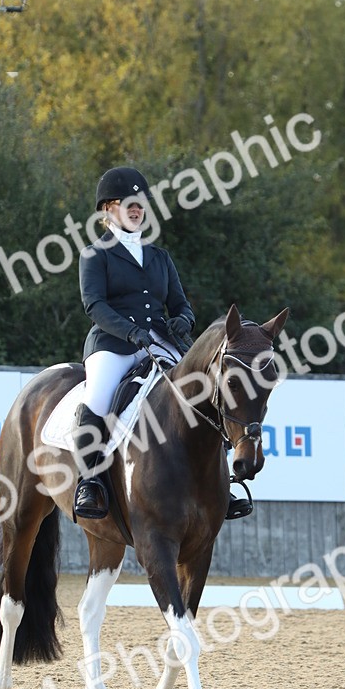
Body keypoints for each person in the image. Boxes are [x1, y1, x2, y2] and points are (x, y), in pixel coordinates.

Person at [72, 165, 248, 523]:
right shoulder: (95, 254)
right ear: (108, 209)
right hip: (112, 344)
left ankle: (219, 483)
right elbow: (95, 306)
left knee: (205, 390)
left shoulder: (159, 257)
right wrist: (130, 332)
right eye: (127, 203)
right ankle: (88, 481)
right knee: (99, 396)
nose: (136, 209)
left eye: (140, 204)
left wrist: (184, 319)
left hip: (159, 342)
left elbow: (180, 303)